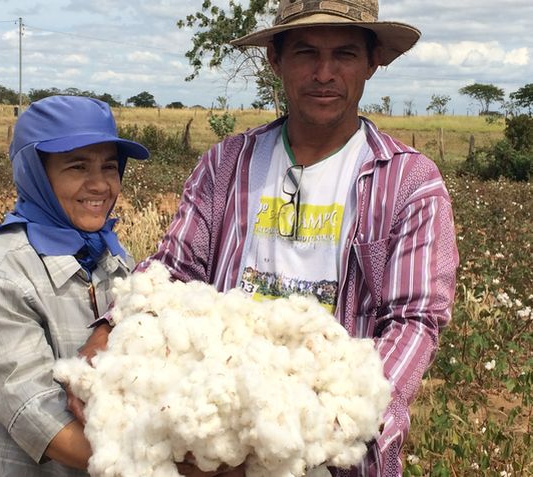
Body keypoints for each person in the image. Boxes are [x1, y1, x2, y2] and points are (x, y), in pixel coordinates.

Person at [78, 1, 459, 476]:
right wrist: (110, 329)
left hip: (332, 453)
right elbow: (176, 269)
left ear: (371, 62)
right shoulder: (227, 165)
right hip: (219, 439)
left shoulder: (408, 184)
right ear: (275, 60)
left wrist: (326, 428)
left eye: (343, 54)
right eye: (304, 53)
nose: (324, 73)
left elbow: (413, 321)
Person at [0, 95, 149, 475]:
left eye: (110, 167)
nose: (100, 185)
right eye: (77, 166)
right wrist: (168, 463)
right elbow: (46, 423)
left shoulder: (115, 264)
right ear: (36, 174)